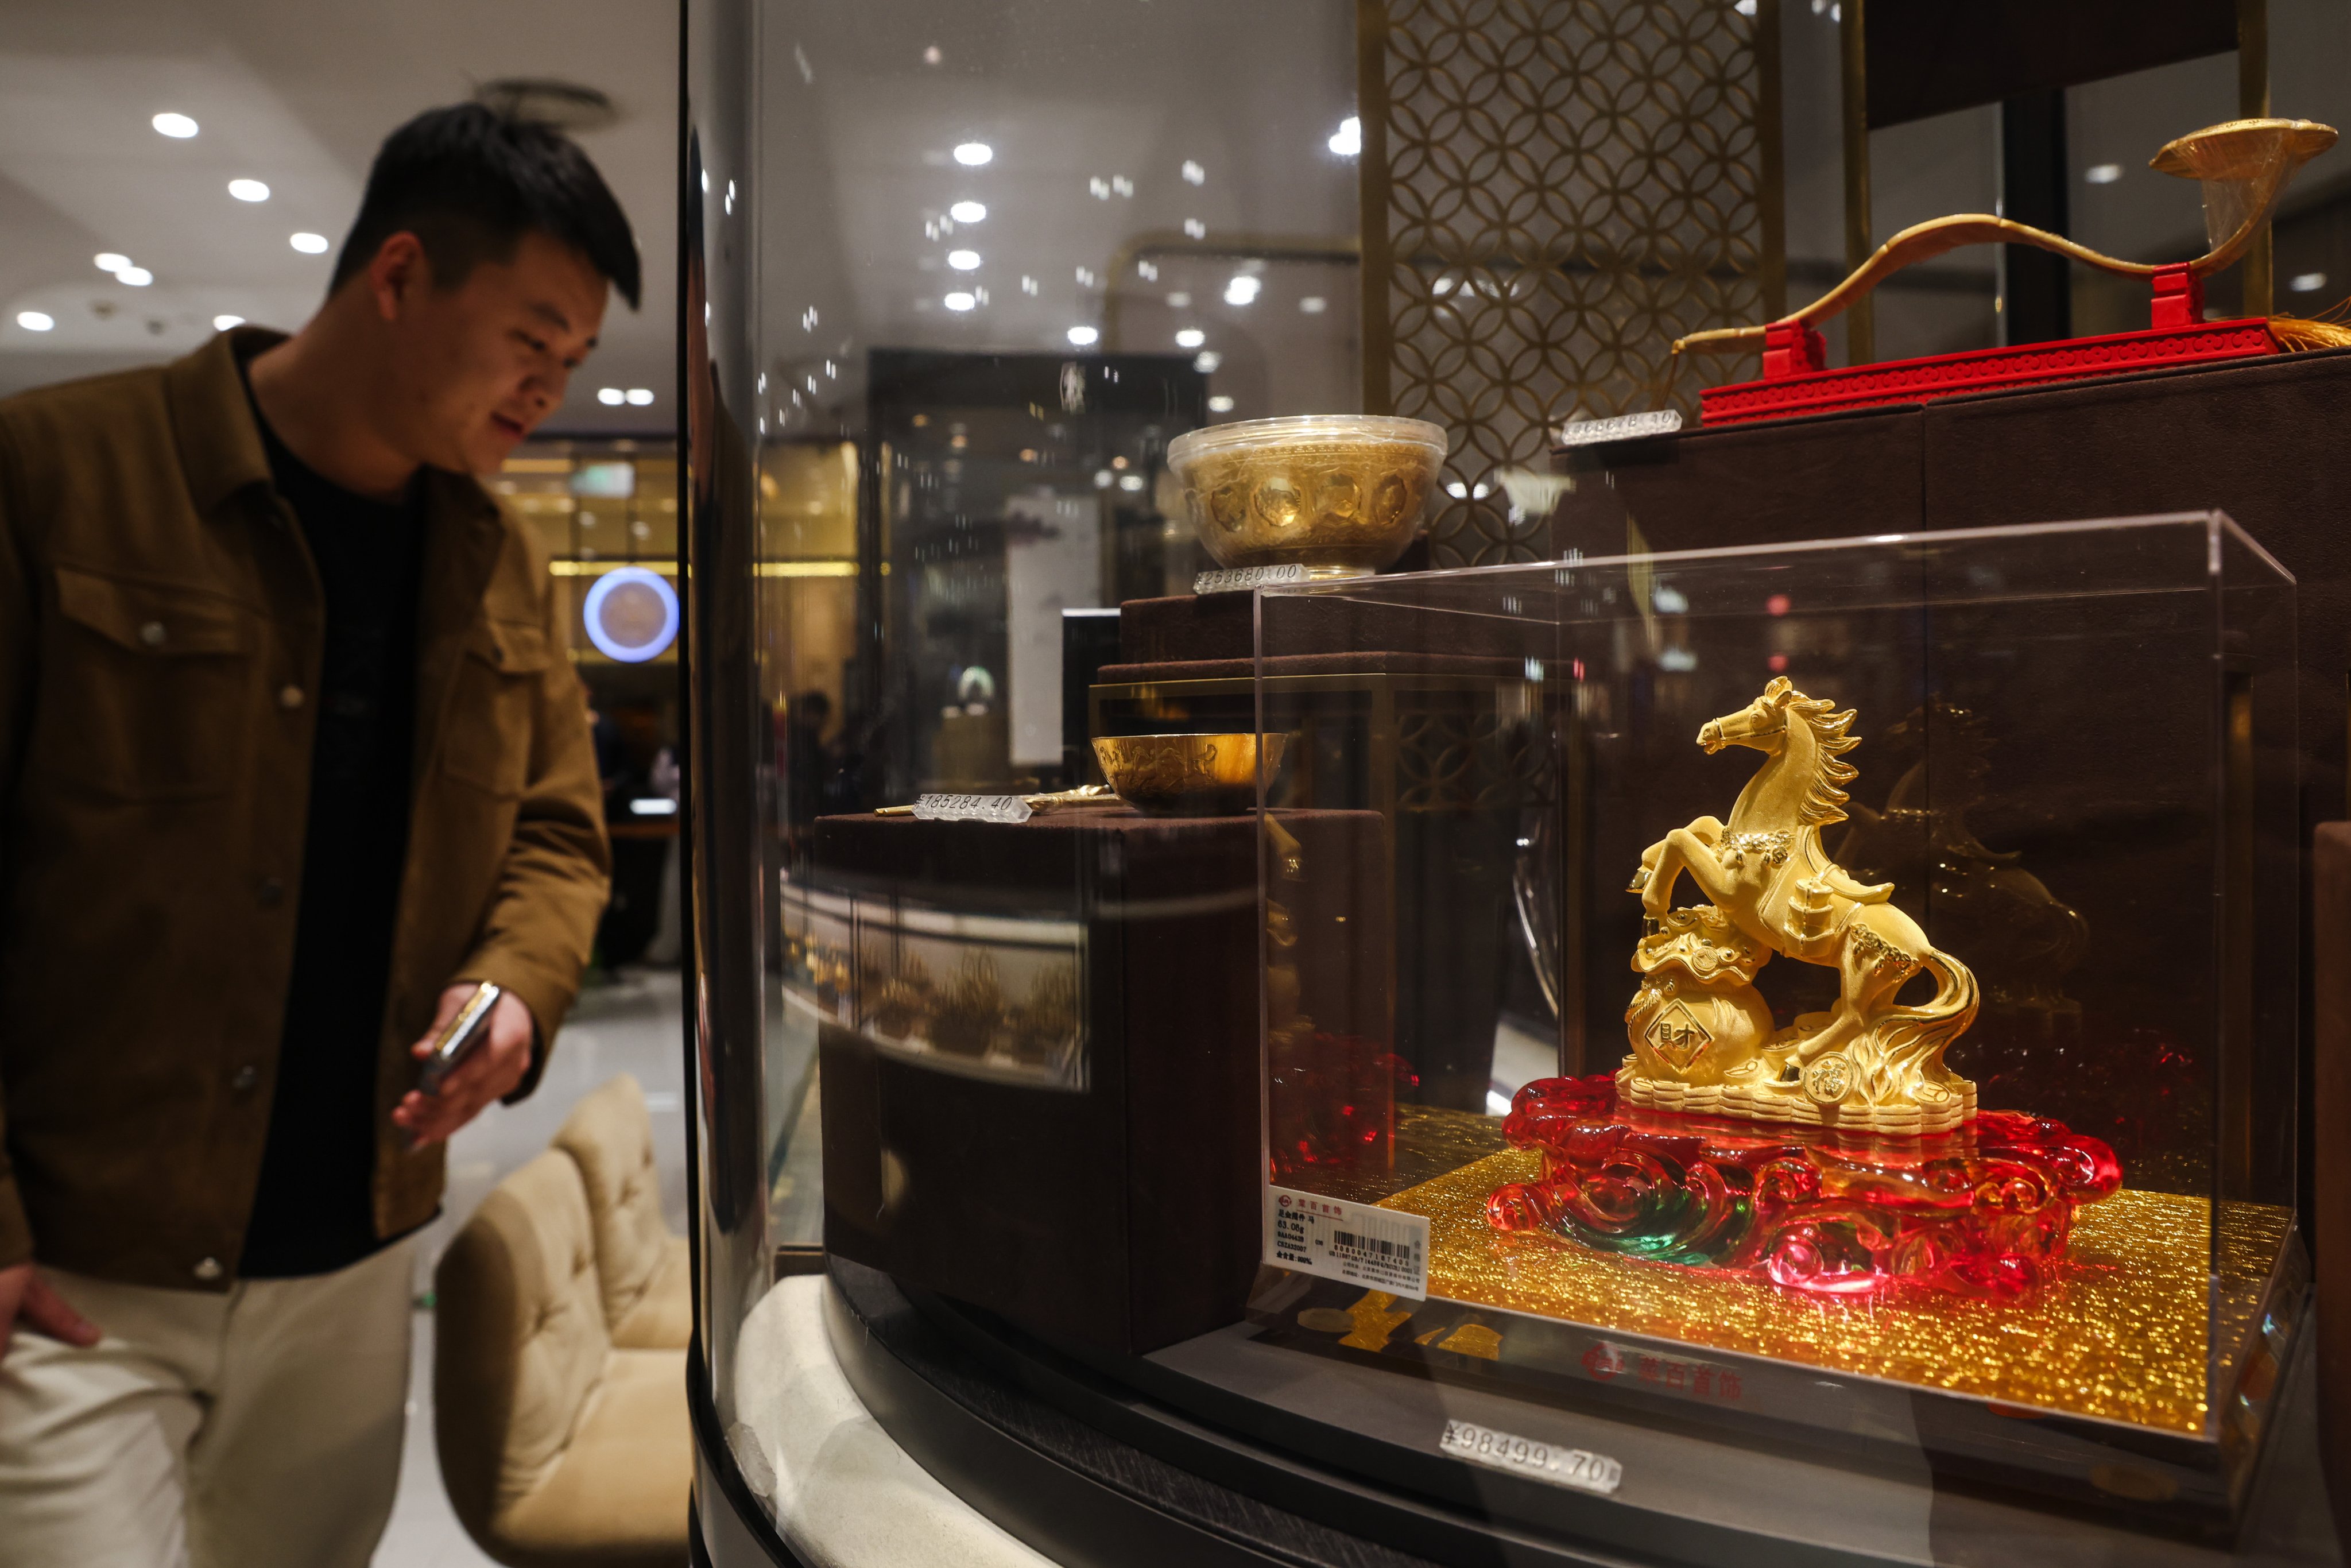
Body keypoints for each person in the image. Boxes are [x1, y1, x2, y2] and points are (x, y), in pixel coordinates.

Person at [0, 103, 629, 1566]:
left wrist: (516, 993)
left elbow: (556, 829)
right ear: (399, 276)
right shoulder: (57, 476)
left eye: (575, 361)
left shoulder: (494, 557)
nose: (548, 387)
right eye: (531, 338)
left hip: (356, 1257)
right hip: (83, 1272)